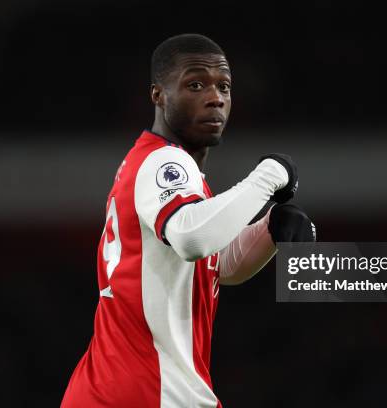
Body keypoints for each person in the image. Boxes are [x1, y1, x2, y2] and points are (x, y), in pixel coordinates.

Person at [61, 33, 315, 408]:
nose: (216, 97)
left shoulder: (156, 166)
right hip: (151, 391)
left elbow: (211, 263)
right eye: (195, 85)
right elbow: (192, 239)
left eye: (223, 86)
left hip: (113, 389)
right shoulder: (166, 163)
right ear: (158, 96)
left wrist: (268, 231)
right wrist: (270, 174)